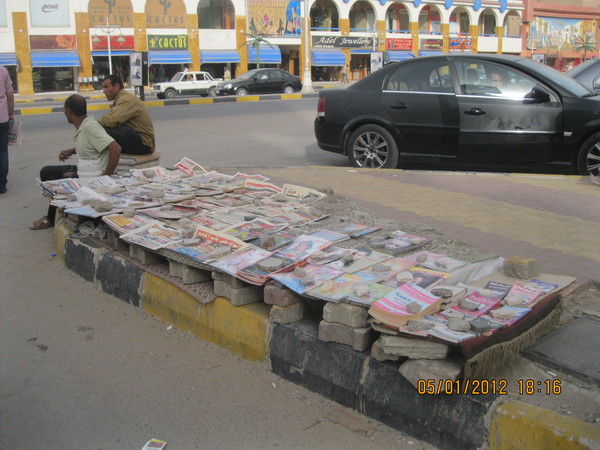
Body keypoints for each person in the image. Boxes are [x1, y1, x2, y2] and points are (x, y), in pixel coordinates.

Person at [30, 94, 121, 230]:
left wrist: (105, 178)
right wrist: (71, 151)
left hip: (92, 176)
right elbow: (90, 145)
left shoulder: (90, 127)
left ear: (68, 112)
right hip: (83, 168)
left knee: (55, 180)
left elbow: (115, 148)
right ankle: (55, 213)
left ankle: (50, 218)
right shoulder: (83, 127)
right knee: (47, 172)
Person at [98, 74, 155, 155]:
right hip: (137, 140)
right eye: (103, 88)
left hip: (144, 144)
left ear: (116, 86)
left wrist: (92, 125)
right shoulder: (121, 98)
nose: (104, 91)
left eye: (106, 87)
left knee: (103, 131)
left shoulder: (126, 99)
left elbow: (111, 120)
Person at [0, 65, 14, 194]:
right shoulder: (3, 70)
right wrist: (11, 114)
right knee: (3, 151)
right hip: (2, 118)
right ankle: (2, 184)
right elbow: (9, 94)